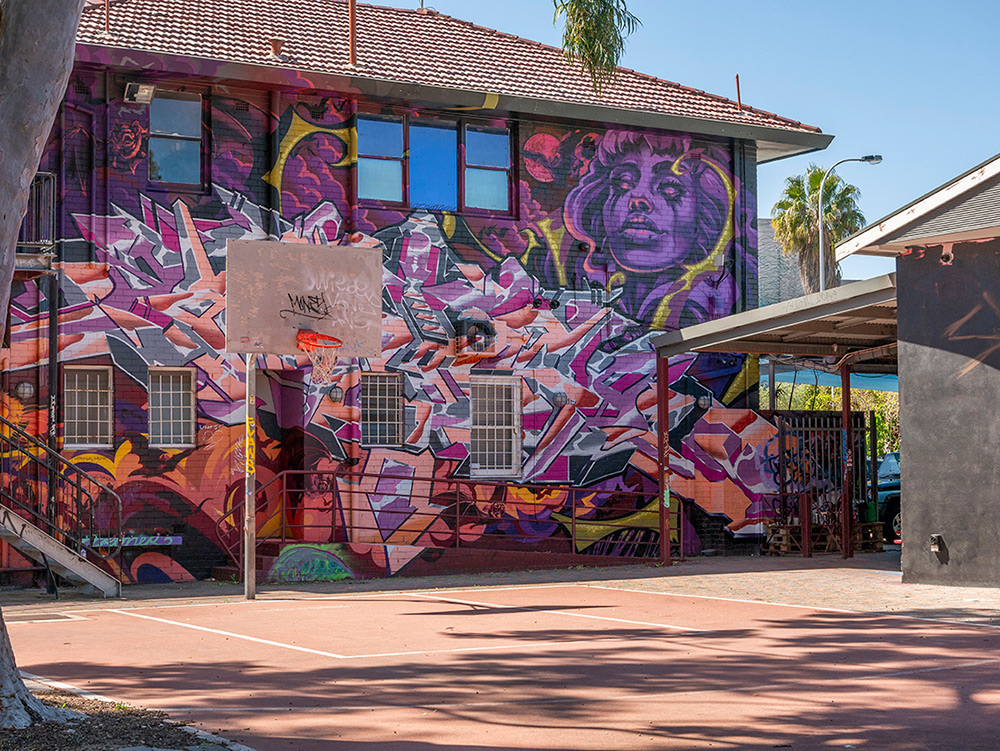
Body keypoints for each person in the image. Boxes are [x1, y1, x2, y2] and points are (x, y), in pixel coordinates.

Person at [563, 131, 736, 329]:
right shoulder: (586, 291)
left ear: (705, 215)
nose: (638, 199)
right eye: (623, 183)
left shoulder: (707, 299)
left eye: (670, 189)